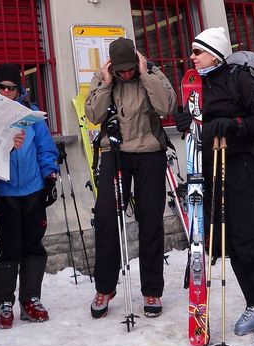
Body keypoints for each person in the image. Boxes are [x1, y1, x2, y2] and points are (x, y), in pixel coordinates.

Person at [174, 27, 254, 346]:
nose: (192, 57)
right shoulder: (197, 85)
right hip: (211, 171)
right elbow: (195, 121)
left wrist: (233, 125)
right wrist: (184, 121)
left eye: (198, 52)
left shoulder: (239, 79)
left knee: (250, 241)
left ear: (215, 53)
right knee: (230, 243)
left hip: (242, 169)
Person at [85, 37, 177, 318]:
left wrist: (146, 74)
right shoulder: (103, 78)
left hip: (150, 153)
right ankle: (105, 287)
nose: (125, 74)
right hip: (115, 153)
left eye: (129, 69)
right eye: (120, 70)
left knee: (151, 219)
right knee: (106, 219)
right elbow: (92, 115)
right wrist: (106, 84)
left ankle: (152, 289)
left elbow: (167, 107)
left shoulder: (151, 72)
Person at [0, 64, 59, 329]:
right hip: (5, 190)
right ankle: (4, 302)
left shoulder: (31, 115)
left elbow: (45, 147)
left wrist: (50, 176)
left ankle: (30, 298)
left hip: (32, 189)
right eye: (2, 87)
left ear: (19, 90)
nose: (6, 92)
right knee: (8, 247)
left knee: (33, 245)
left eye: (11, 88)